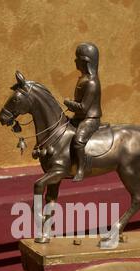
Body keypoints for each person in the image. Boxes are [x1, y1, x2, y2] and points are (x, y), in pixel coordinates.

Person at [64, 42, 102, 181]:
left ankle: (81, 169)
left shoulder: (92, 82)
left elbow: (84, 108)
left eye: (77, 59)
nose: (75, 61)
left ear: (85, 62)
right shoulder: (83, 79)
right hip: (79, 117)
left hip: (90, 118)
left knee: (78, 141)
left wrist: (68, 103)